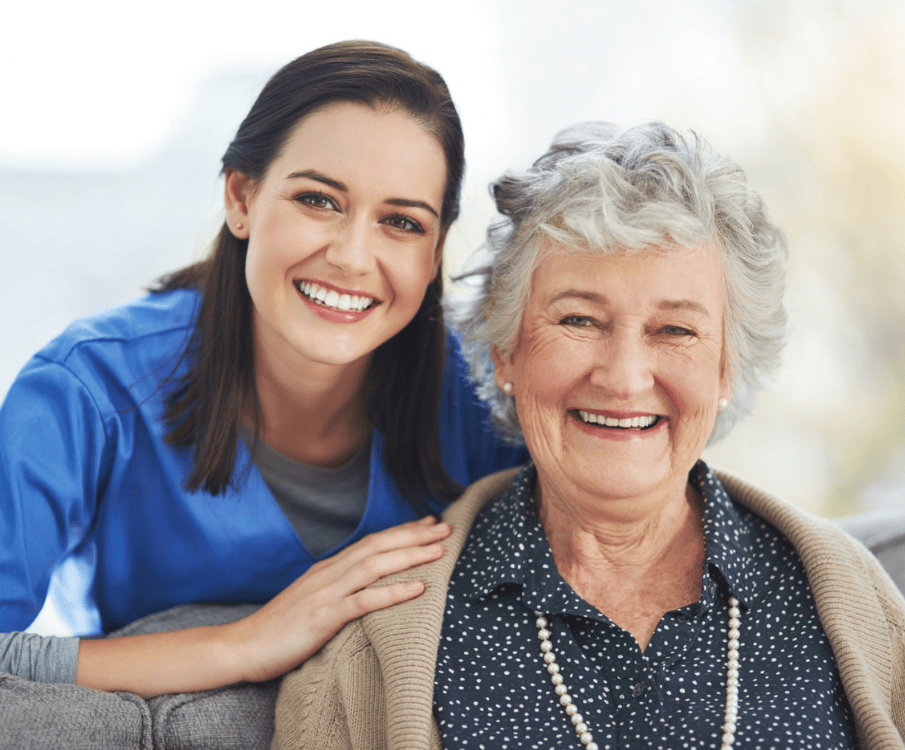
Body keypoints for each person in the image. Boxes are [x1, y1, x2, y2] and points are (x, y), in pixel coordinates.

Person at [272, 122, 905, 749]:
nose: (625, 379)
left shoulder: (842, 593)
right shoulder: (383, 635)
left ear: (726, 369)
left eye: (676, 331)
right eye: (579, 319)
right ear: (505, 353)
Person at [0, 40, 525, 697]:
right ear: (241, 198)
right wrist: (247, 643)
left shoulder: (489, 401)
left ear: (436, 249)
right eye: (318, 201)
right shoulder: (84, 390)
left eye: (400, 222)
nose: (352, 257)